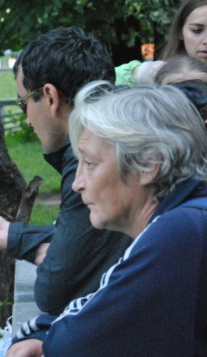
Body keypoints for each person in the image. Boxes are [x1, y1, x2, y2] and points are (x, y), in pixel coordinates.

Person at [12, 81, 207, 356]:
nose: (77, 183)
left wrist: (48, 334)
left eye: (90, 163)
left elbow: (74, 344)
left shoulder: (178, 232)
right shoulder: (183, 219)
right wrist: (48, 332)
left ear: (149, 165)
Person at [0, 27, 132, 322]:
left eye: (24, 104)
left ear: (49, 96)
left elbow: (53, 290)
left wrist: (48, 253)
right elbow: (83, 238)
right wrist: (12, 235)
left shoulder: (88, 154)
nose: (26, 119)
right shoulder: (127, 133)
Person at [116, 0, 207, 85]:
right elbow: (105, 76)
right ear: (180, 31)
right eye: (197, 30)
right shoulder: (155, 75)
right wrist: (140, 73)